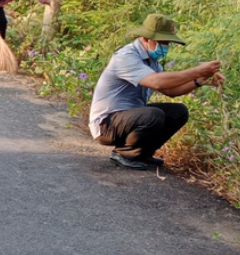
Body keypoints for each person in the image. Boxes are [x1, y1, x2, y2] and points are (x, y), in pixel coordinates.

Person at [89, 14, 224, 170]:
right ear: (146, 38)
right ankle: (125, 153)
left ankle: (143, 153)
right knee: (153, 115)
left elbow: (171, 90)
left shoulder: (151, 61)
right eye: (162, 42)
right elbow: (157, 81)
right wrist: (197, 71)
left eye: (167, 43)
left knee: (178, 111)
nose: (165, 46)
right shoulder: (126, 57)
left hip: (128, 119)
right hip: (107, 125)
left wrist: (200, 80)